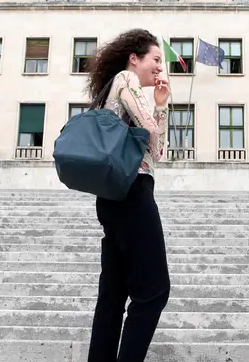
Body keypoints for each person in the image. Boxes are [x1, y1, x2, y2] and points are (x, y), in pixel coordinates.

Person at [84, 28, 171, 362]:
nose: (160, 68)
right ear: (134, 59)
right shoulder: (126, 78)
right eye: (156, 59)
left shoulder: (121, 86)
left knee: (113, 294)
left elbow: (157, 151)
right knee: (154, 290)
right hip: (133, 191)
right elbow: (151, 135)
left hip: (111, 196)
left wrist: (159, 105)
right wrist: (155, 114)